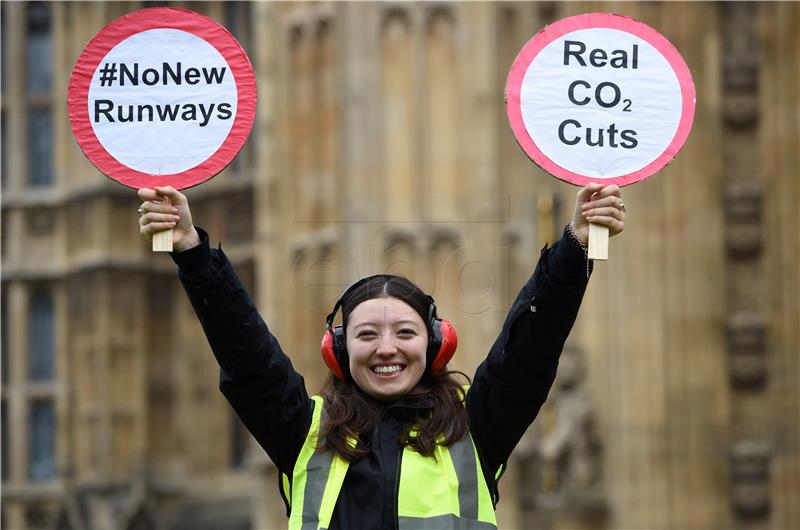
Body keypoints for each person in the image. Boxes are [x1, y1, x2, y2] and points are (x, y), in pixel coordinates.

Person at [137, 183, 625, 530]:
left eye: (405, 332)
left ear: (434, 344)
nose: (386, 348)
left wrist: (577, 244)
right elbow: (246, 353)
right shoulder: (306, 433)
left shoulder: (474, 426)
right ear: (340, 350)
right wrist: (192, 251)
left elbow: (531, 348)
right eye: (368, 334)